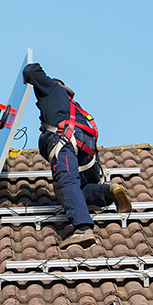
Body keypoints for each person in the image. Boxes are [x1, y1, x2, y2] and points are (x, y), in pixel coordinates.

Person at [22, 63, 132, 249]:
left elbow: (31, 70)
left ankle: (83, 228)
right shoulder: (74, 105)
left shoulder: (51, 88)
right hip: (87, 150)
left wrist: (27, 79)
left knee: (66, 182)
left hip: (65, 140)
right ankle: (108, 192)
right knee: (78, 190)